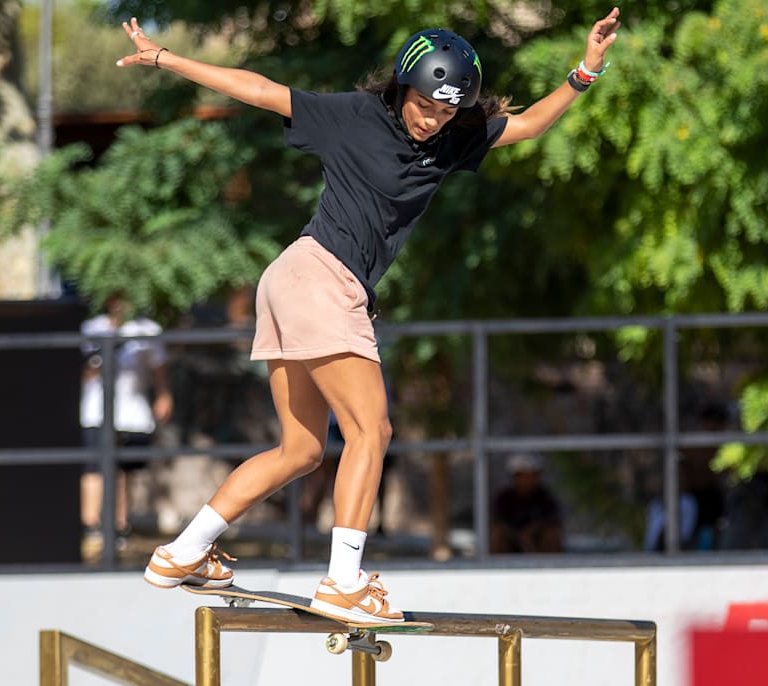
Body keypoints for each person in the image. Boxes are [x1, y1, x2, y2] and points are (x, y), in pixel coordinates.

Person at [120, 9, 619, 623]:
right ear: (402, 89)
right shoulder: (352, 117)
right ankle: (344, 581)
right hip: (320, 279)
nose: (432, 120)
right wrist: (166, 58)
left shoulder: (457, 135)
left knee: (301, 449)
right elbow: (260, 89)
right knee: (371, 431)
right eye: (423, 106)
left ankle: (183, 552)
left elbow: (532, 125)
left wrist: (585, 70)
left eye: (445, 111)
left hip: (295, 282)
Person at [79, 292, 174, 558]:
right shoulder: (92, 328)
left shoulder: (147, 329)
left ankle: (119, 526)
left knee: (123, 470)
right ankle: (90, 526)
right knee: (94, 469)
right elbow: (86, 372)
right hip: (95, 411)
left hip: (132, 414)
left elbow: (159, 367)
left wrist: (164, 395)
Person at [490, 453, 564, 554]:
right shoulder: (504, 498)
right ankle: (495, 567)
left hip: (537, 541)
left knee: (552, 534)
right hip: (511, 541)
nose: (528, 479)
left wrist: (531, 531)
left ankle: (554, 566)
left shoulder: (545, 496)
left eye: (533, 475)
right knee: (497, 534)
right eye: (524, 475)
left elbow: (552, 520)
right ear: (516, 476)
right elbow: (498, 522)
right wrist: (519, 536)